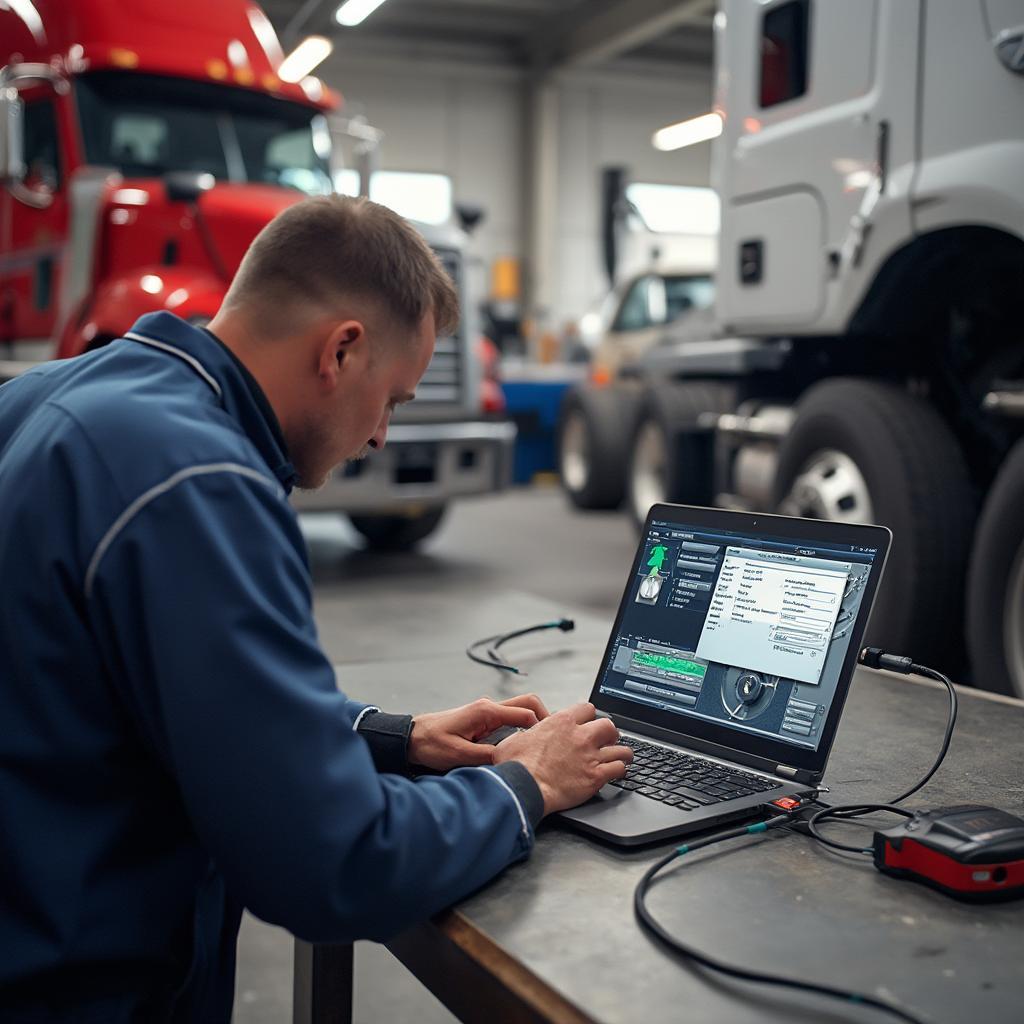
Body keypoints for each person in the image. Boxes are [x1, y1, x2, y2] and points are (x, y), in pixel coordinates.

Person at [0, 195, 632, 1021]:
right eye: (394, 401)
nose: (379, 437)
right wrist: (526, 784)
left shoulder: (44, 400)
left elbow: (157, 688)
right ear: (341, 350)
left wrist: (389, 737)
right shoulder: (199, 485)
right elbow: (335, 864)